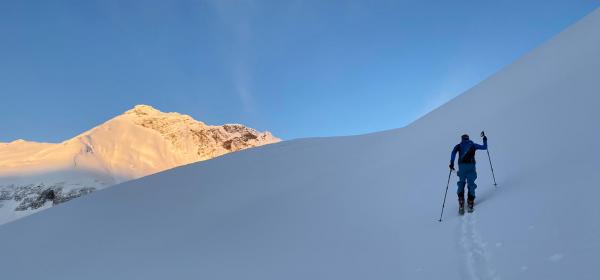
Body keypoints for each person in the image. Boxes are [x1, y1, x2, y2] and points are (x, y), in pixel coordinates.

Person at [449, 134, 488, 213]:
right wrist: (485, 139)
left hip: (462, 167)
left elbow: (453, 153)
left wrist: (452, 163)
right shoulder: (473, 145)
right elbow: (484, 147)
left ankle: (461, 202)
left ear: (462, 139)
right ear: (468, 139)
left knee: (461, 183)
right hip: (471, 167)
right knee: (471, 184)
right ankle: (470, 202)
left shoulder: (459, 146)